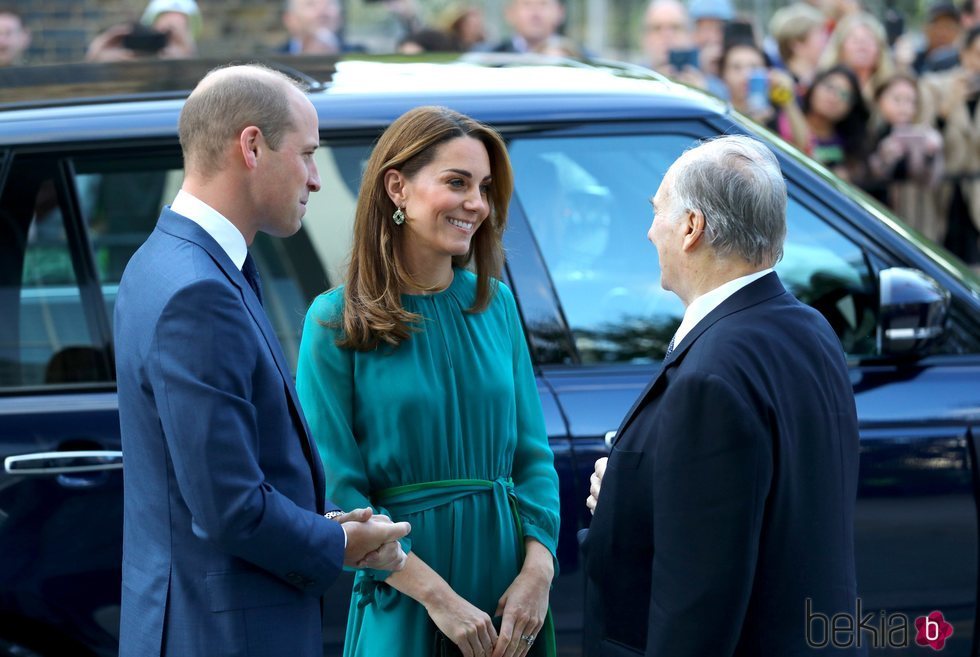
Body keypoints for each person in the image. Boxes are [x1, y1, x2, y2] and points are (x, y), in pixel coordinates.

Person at [113, 64, 411, 657]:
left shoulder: (165, 260)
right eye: (306, 154)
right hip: (224, 634)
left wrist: (325, 526)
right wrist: (340, 545)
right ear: (252, 145)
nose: (316, 178)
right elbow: (230, 509)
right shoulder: (196, 289)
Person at [581, 135, 861, 657]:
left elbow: (698, 597)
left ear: (691, 228)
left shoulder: (711, 374)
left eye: (657, 212)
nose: (649, 231)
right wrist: (629, 487)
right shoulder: (811, 329)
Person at [296, 106, 561, 657]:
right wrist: (438, 597)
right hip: (407, 592)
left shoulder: (497, 305)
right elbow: (338, 494)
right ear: (397, 187)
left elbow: (533, 459)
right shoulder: (332, 322)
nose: (476, 205)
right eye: (457, 182)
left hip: (509, 598)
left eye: (484, 188)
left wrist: (539, 572)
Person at [920, 24, 980, 267]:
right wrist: (947, 106)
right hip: (940, 193)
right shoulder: (933, 86)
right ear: (963, 53)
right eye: (977, 53)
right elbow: (924, 138)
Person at [863, 74, 945, 239]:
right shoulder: (868, 133)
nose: (904, 107)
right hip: (875, 219)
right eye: (897, 99)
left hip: (915, 220)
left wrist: (930, 154)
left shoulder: (923, 134)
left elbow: (931, 180)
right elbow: (869, 175)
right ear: (879, 100)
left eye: (910, 101)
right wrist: (885, 156)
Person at [802, 65, 870, 180]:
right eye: (829, 87)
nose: (834, 97)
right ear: (815, 86)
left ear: (851, 107)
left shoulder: (849, 153)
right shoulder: (785, 116)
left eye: (844, 95)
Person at [818, 12, 895, 104]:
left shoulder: (890, 89)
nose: (862, 46)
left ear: (880, 50)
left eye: (869, 40)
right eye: (855, 40)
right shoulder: (823, 87)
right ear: (840, 48)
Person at [86, 0, 200, 62]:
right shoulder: (126, 58)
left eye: (178, 35)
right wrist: (96, 56)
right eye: (163, 35)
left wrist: (187, 63)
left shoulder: (207, 84)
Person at [769, 3, 828, 97]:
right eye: (819, 36)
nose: (825, 41)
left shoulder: (823, 79)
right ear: (797, 45)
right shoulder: (777, 82)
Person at [279, 0, 365, 55]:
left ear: (340, 16)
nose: (322, 10)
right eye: (311, 4)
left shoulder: (360, 56)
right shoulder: (273, 62)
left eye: (329, 4)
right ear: (290, 19)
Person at [494, 0, 567, 54]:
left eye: (543, 4)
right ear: (510, 13)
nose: (535, 13)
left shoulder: (576, 59)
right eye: (527, 4)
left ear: (560, 12)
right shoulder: (491, 58)